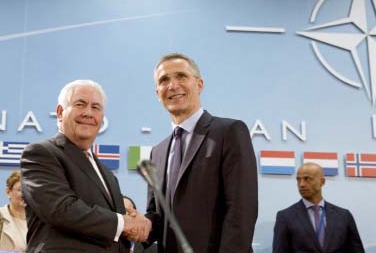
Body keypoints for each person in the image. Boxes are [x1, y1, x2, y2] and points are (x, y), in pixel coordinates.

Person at [20, 79, 151, 253]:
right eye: (80, 104)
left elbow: (100, 206)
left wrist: (129, 210)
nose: (88, 113)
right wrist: (124, 223)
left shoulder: (105, 172)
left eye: (95, 107)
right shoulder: (40, 153)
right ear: (60, 112)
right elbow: (61, 209)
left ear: (101, 118)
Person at [145, 53, 258, 253]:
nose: (172, 85)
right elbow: (157, 216)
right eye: (164, 80)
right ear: (157, 93)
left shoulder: (229, 132)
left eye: (181, 76)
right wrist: (131, 224)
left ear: (199, 84)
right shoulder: (157, 153)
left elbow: (241, 210)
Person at [273, 162, 365, 253]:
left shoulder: (344, 216)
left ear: (322, 182)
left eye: (307, 179)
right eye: (298, 180)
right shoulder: (285, 217)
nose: (301, 184)